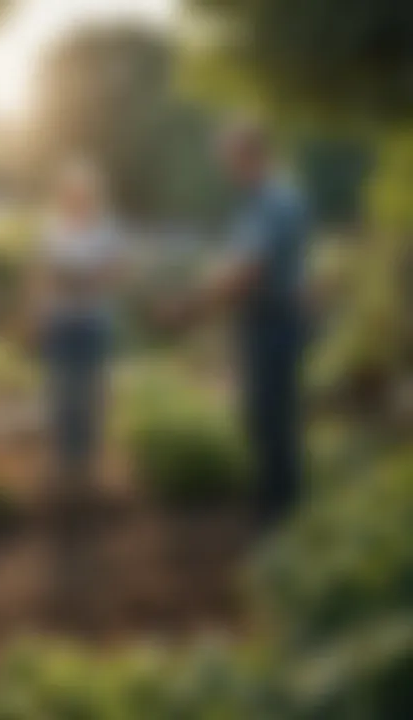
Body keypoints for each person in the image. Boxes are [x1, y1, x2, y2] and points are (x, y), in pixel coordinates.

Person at [153, 118, 309, 533]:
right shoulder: (255, 202)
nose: (227, 169)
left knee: (273, 428)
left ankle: (281, 528)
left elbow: (247, 272)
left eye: (231, 159)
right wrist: (202, 296)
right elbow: (234, 267)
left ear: (253, 155)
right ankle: (274, 520)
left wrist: (189, 307)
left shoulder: (275, 201)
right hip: (261, 324)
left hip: (273, 325)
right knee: (262, 423)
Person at [25, 160, 126, 621]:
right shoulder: (51, 232)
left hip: (91, 326)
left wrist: (82, 280)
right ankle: (65, 481)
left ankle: (87, 479)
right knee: (61, 399)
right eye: (70, 192)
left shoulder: (105, 231)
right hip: (61, 326)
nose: (75, 198)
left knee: (90, 399)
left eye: (82, 192)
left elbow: (114, 274)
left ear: (92, 195)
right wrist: (35, 314)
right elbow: (40, 279)